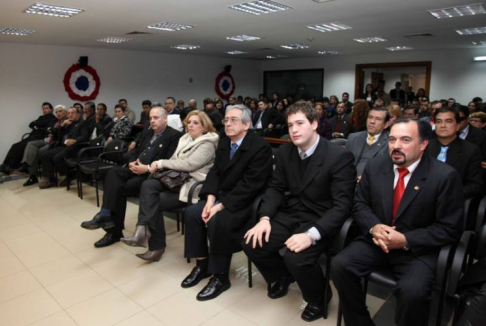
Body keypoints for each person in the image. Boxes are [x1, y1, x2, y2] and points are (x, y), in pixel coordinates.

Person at [332, 118, 464, 326]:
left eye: (405, 140)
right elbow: (359, 204)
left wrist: (404, 239)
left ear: (423, 144)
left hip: (417, 249)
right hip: (378, 240)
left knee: (413, 292)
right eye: (392, 139)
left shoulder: (444, 176)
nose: (396, 146)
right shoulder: (376, 165)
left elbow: (450, 228)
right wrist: (374, 226)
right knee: (340, 266)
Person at [243, 102, 356, 322]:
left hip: (321, 218)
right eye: (290, 124)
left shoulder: (338, 156)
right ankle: (282, 276)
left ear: (314, 124)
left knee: (297, 259)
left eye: (300, 123)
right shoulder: (286, 151)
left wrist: (311, 235)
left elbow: (342, 206)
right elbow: (276, 187)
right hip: (292, 212)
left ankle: (320, 297)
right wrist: (264, 218)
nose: (294, 130)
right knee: (252, 241)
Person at [181, 105, 273, 301]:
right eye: (226, 120)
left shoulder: (260, 147)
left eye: (233, 120)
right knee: (192, 213)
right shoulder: (225, 141)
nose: (228, 124)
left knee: (217, 221)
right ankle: (202, 265)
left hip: (244, 202)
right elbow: (215, 172)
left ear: (247, 125)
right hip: (220, 197)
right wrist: (210, 199)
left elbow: (251, 186)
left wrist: (219, 207)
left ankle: (220, 276)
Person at [121, 111, 219, 261]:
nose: (190, 125)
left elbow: (189, 164)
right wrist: (159, 166)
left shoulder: (208, 143)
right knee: (148, 185)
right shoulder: (185, 138)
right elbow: (174, 159)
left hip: (191, 185)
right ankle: (141, 230)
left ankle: (155, 245)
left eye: (195, 123)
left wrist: (160, 163)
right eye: (189, 122)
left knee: (153, 202)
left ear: (204, 127)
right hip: (176, 180)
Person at [80, 106, 182, 247]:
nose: (152, 121)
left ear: (165, 119)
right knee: (113, 172)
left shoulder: (174, 136)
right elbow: (137, 151)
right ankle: (106, 215)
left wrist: (145, 169)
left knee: (119, 189)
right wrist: (131, 162)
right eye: (150, 118)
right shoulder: (148, 132)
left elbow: (169, 162)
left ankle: (112, 230)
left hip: (152, 174)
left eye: (156, 118)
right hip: (136, 167)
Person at [426, 107, 483, 199]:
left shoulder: (471, 150)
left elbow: (476, 185)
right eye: (439, 121)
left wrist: (450, 195)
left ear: (457, 126)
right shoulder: (425, 146)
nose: (443, 125)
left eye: (448, 121)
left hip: (452, 200)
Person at [38, 107, 92, 188]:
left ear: (78, 114)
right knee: (45, 155)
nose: (70, 115)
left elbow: (85, 136)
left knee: (57, 158)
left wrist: (74, 141)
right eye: (69, 113)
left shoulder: (83, 123)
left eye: (73, 113)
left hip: (75, 146)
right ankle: (51, 179)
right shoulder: (67, 123)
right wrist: (62, 126)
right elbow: (59, 137)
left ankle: (70, 175)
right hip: (63, 146)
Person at [0, 102, 56, 174]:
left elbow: (45, 129)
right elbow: (31, 124)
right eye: (43, 108)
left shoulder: (53, 118)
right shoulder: (41, 117)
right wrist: (37, 125)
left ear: (51, 109)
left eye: (46, 108)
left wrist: (37, 125)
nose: (44, 110)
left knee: (22, 146)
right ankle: (5, 164)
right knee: (15, 145)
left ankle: (11, 166)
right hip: (32, 136)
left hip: (40, 137)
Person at [22, 105, 68, 186]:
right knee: (31, 144)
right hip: (47, 139)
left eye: (60, 111)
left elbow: (59, 135)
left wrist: (53, 130)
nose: (58, 113)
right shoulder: (55, 121)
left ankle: (34, 175)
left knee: (37, 152)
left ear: (65, 112)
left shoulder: (67, 121)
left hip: (55, 143)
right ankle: (26, 165)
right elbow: (48, 129)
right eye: (57, 112)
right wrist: (50, 130)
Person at [347, 106, 389, 177]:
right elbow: (345, 163)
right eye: (370, 117)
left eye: (378, 119)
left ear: (385, 125)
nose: (372, 122)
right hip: (350, 180)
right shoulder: (353, 137)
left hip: (374, 182)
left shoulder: (391, 141)